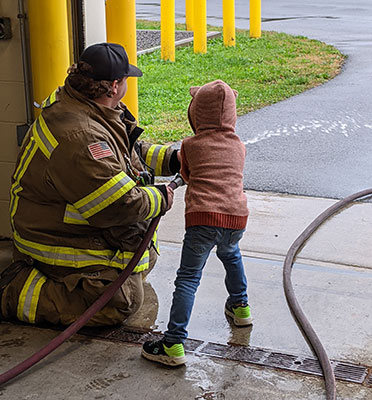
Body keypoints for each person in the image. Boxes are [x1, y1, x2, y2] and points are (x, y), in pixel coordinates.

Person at [0, 43, 180, 326]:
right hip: (53, 237)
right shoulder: (80, 136)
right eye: (126, 81)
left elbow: (126, 153)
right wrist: (160, 198)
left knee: (143, 258)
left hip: (68, 225)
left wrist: (174, 159)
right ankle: (14, 291)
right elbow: (119, 205)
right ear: (114, 86)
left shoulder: (88, 107)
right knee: (122, 300)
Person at [141, 80, 251, 367]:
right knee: (231, 254)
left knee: (188, 278)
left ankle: (174, 343)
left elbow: (188, 174)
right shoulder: (239, 146)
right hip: (236, 217)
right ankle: (241, 307)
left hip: (203, 218)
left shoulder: (191, 145)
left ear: (196, 113)